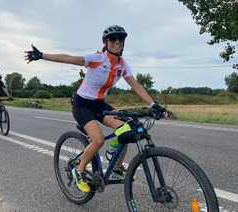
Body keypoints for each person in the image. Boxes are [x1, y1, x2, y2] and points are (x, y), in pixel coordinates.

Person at [25, 25, 166, 193]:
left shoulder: (122, 65)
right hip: (82, 104)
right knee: (98, 140)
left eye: (120, 39)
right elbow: (69, 58)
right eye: (113, 39)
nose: (117, 43)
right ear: (106, 42)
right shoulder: (97, 58)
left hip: (99, 104)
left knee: (127, 129)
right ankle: (80, 170)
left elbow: (135, 85)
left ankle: (116, 167)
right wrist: (41, 55)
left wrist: (153, 104)